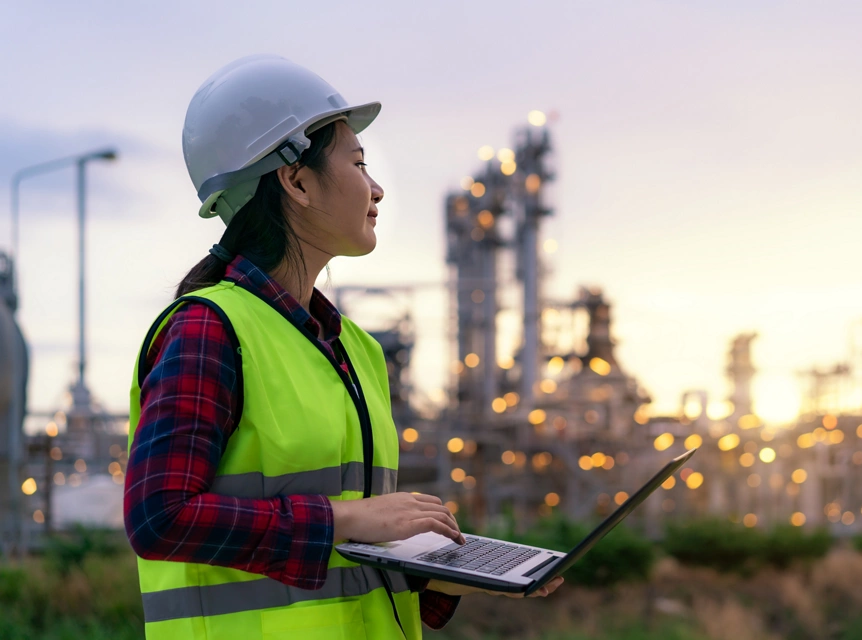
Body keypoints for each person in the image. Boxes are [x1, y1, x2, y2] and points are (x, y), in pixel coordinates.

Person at [123, 54, 562, 640]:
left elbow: (347, 562)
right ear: (296, 181)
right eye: (357, 163)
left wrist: (442, 575)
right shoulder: (210, 329)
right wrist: (347, 518)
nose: (376, 187)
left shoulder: (353, 347)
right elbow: (160, 518)